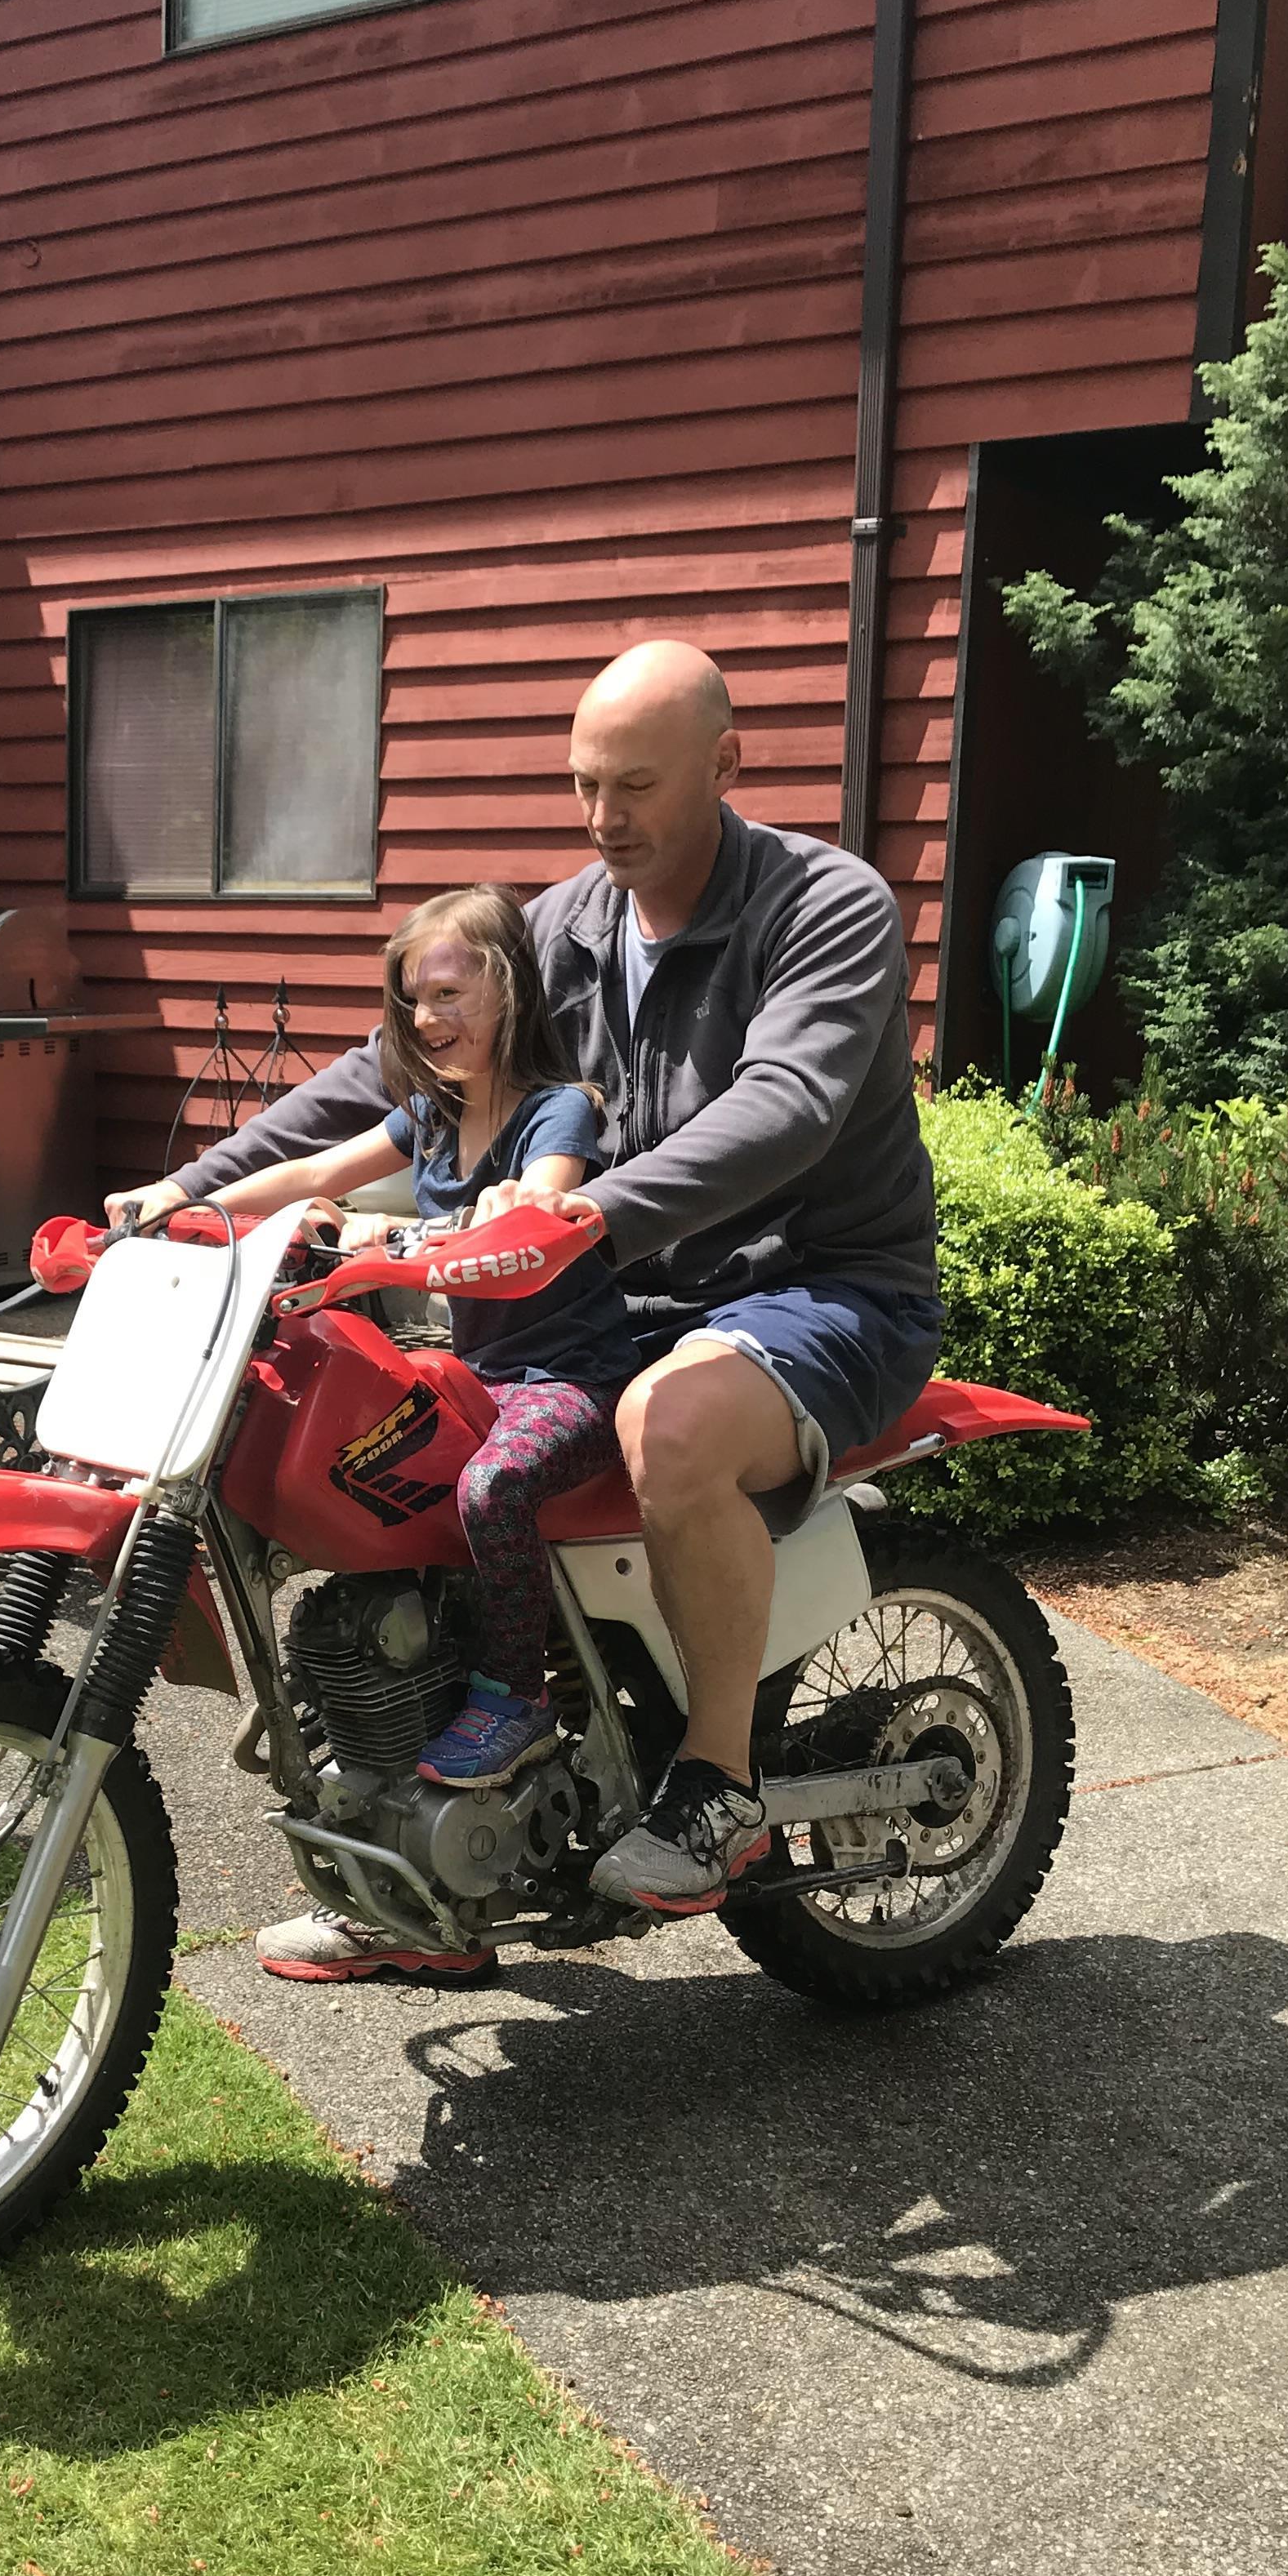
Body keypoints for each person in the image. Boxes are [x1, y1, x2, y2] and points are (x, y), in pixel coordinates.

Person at [112, 640, 939, 1972]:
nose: (604, 817)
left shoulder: (821, 906)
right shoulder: (560, 927)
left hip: (819, 1291)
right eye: (582, 784)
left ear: (726, 767)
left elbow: (782, 1107)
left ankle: (715, 1784)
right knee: (403, 1445)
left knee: (666, 1427)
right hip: (616, 1300)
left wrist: (585, 1215)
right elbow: (381, 1077)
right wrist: (183, 1193)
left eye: (636, 786)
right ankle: (423, 1883)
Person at [194, 888, 647, 1977]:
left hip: (567, 1378)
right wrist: (184, 1204)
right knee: (380, 1526)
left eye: (452, 991)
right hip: (476, 1371)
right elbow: (311, 1172)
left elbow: (538, 1204)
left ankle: (518, 1705)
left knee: (490, 1493)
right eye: (414, 997)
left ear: (507, 986)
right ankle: (418, 1897)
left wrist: (417, 1226)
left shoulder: (556, 1111)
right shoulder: (432, 1111)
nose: (431, 1015)